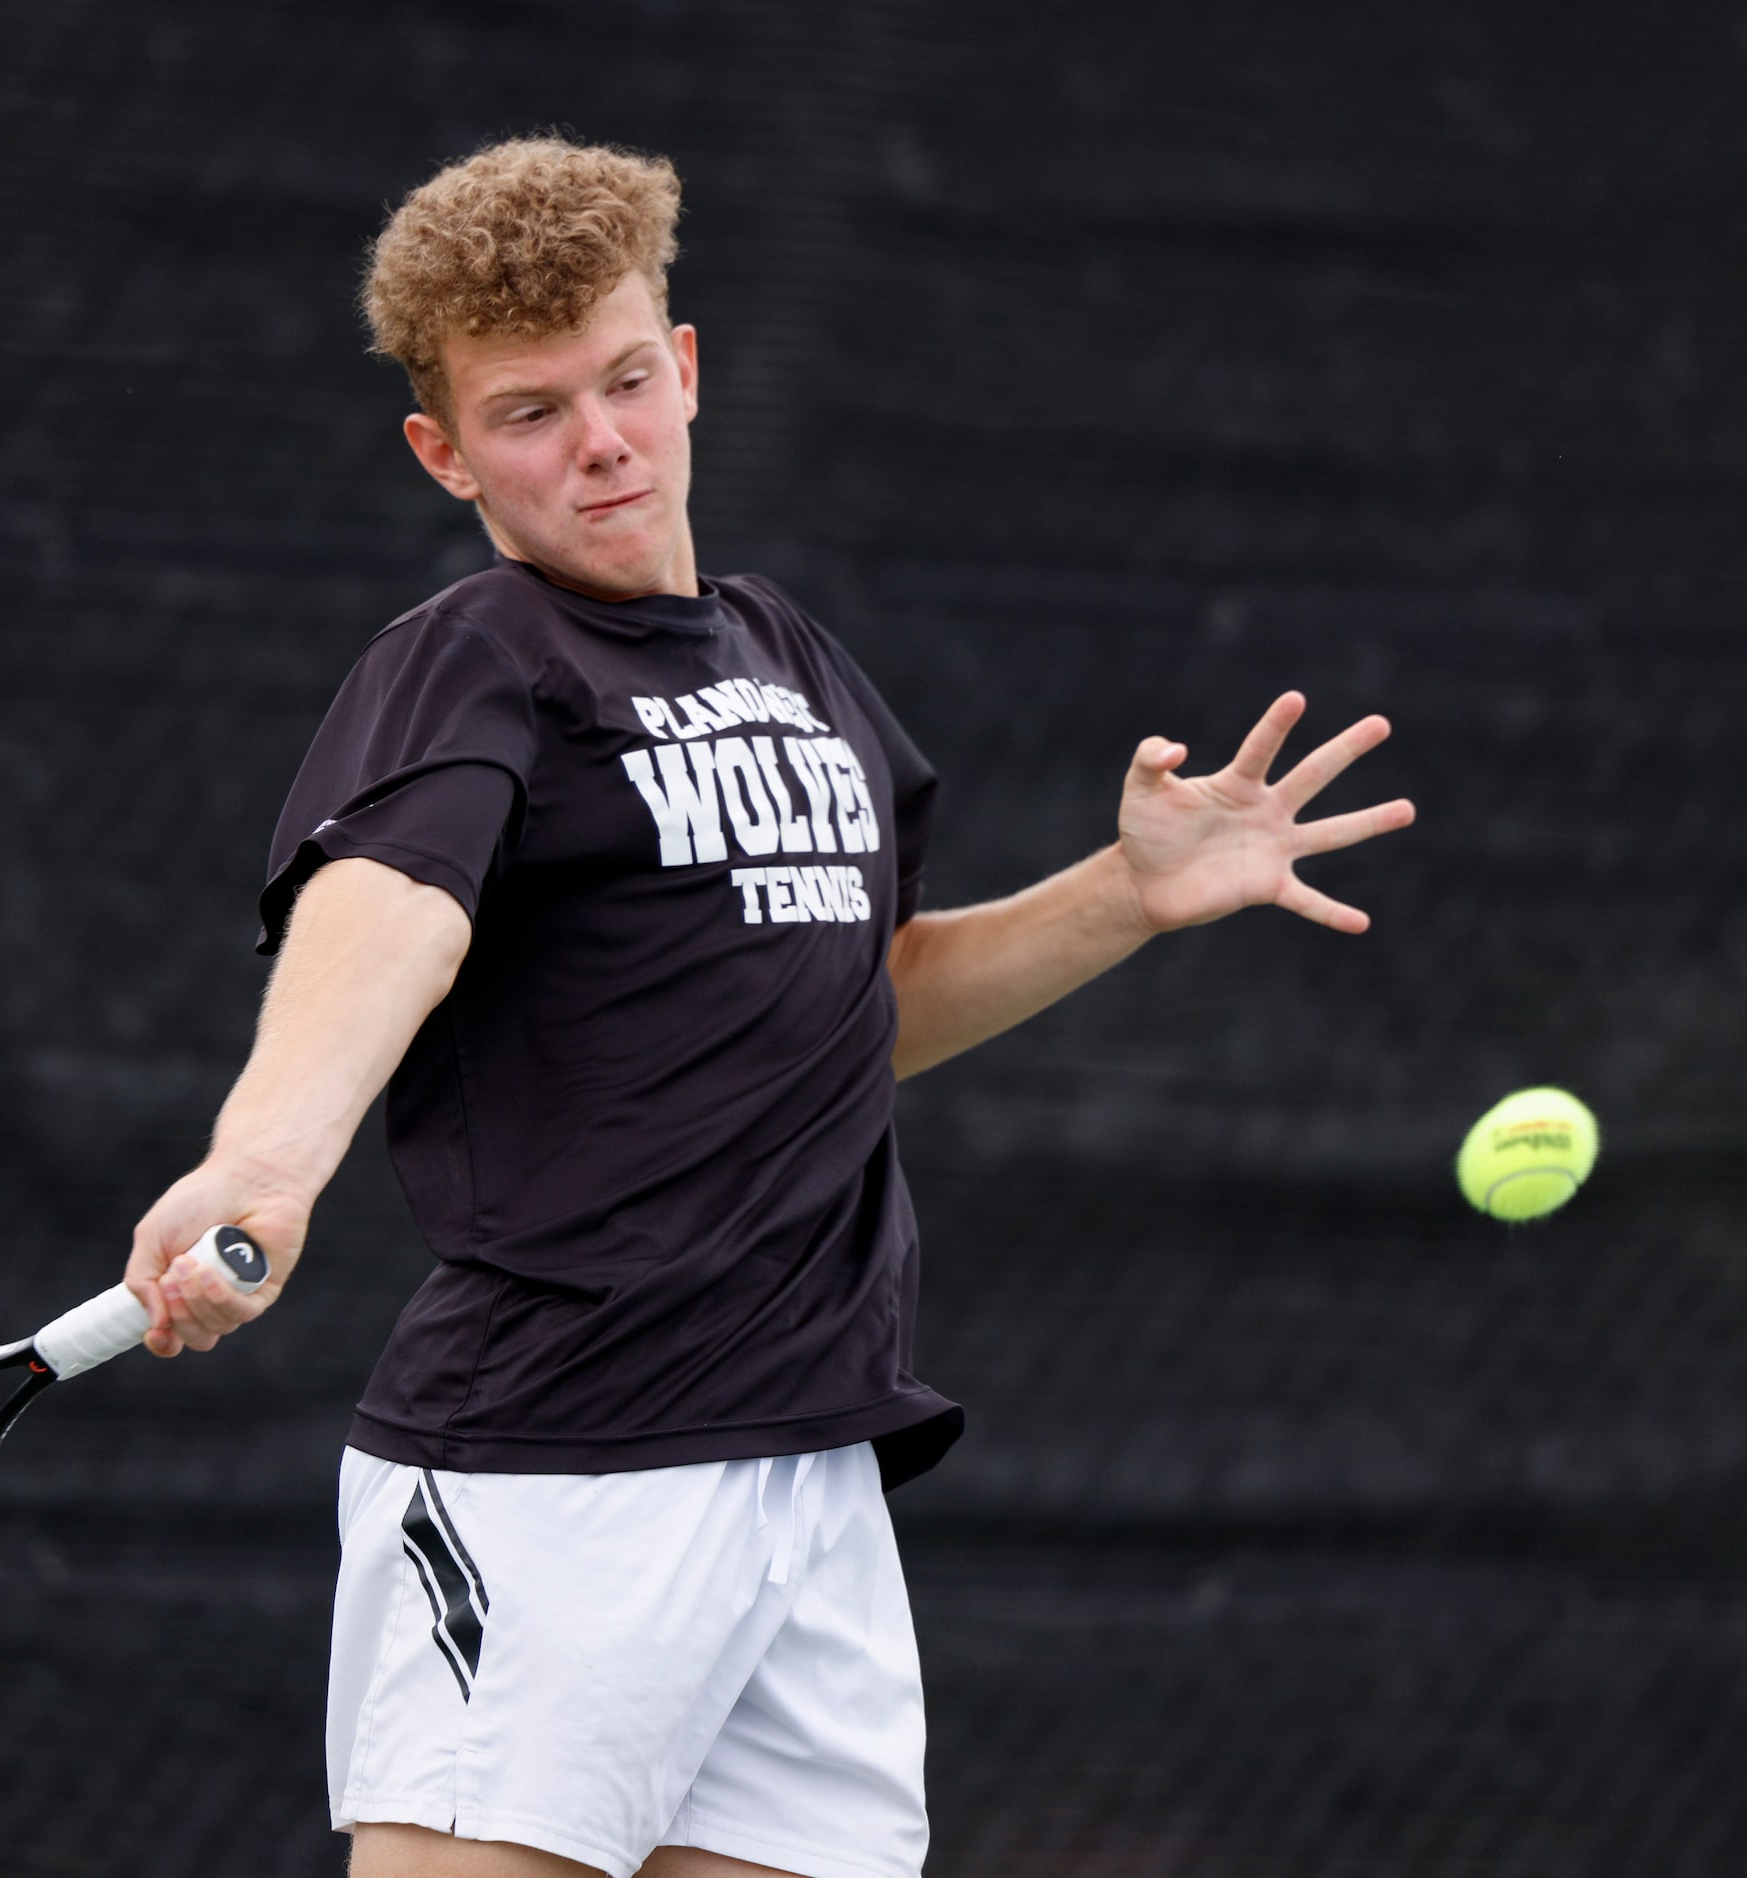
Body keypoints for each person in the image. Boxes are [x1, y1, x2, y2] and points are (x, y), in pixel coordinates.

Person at [118, 137, 1413, 1878]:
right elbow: (393, 903)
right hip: (557, 1464)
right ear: (443, 453)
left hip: (807, 1464)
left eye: (628, 380)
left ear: (689, 367)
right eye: (529, 412)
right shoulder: (478, 657)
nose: (600, 441)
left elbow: (859, 1005)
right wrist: (266, 1155)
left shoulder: (788, 660)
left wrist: (1126, 896)